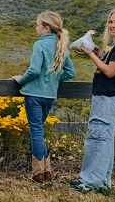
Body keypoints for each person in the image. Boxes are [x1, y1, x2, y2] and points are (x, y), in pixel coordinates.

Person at [70, 8, 115, 193]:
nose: (113, 26)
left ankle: (91, 181)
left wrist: (91, 54)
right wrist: (95, 52)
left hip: (106, 97)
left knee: (97, 138)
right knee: (104, 138)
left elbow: (109, 71)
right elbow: (107, 62)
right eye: (111, 22)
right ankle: (100, 180)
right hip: (108, 96)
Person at [13, 10, 76, 183]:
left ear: (46, 28)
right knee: (39, 131)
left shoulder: (39, 45)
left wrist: (21, 80)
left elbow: (33, 70)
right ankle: (47, 171)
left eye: (38, 25)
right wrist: (53, 77)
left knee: (36, 132)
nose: (36, 28)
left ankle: (38, 172)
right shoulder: (61, 46)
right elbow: (71, 72)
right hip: (50, 95)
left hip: (33, 93)